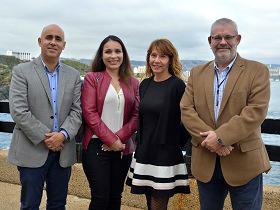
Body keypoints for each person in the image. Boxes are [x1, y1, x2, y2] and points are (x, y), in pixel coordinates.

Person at [180, 18, 271, 210]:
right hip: (206, 164)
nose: (222, 42)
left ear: (238, 39)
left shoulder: (257, 71)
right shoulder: (196, 73)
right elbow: (186, 110)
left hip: (245, 164)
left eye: (228, 37)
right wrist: (214, 142)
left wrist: (220, 137)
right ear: (209, 41)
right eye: (217, 37)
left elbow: (255, 112)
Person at [8, 24, 82, 210]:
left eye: (58, 39)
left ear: (64, 45)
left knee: (58, 204)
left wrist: (63, 135)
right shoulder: (21, 71)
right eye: (48, 37)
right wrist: (48, 137)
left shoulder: (73, 75)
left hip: (63, 151)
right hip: (31, 149)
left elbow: (77, 110)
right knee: (29, 205)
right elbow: (18, 110)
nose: (53, 42)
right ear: (40, 41)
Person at [127, 39, 190, 210]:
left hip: (165, 153)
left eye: (162, 56)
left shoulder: (177, 85)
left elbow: (187, 119)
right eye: (153, 55)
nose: (157, 60)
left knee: (158, 202)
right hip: (145, 150)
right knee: (149, 199)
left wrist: (172, 143)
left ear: (170, 59)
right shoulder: (145, 84)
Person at [81, 35, 139, 210]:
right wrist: (110, 140)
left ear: (124, 54)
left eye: (117, 51)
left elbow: (137, 115)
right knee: (100, 198)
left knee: (115, 197)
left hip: (123, 149)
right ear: (102, 55)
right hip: (96, 147)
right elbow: (89, 113)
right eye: (108, 51)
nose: (113, 56)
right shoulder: (92, 78)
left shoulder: (134, 82)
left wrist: (118, 140)